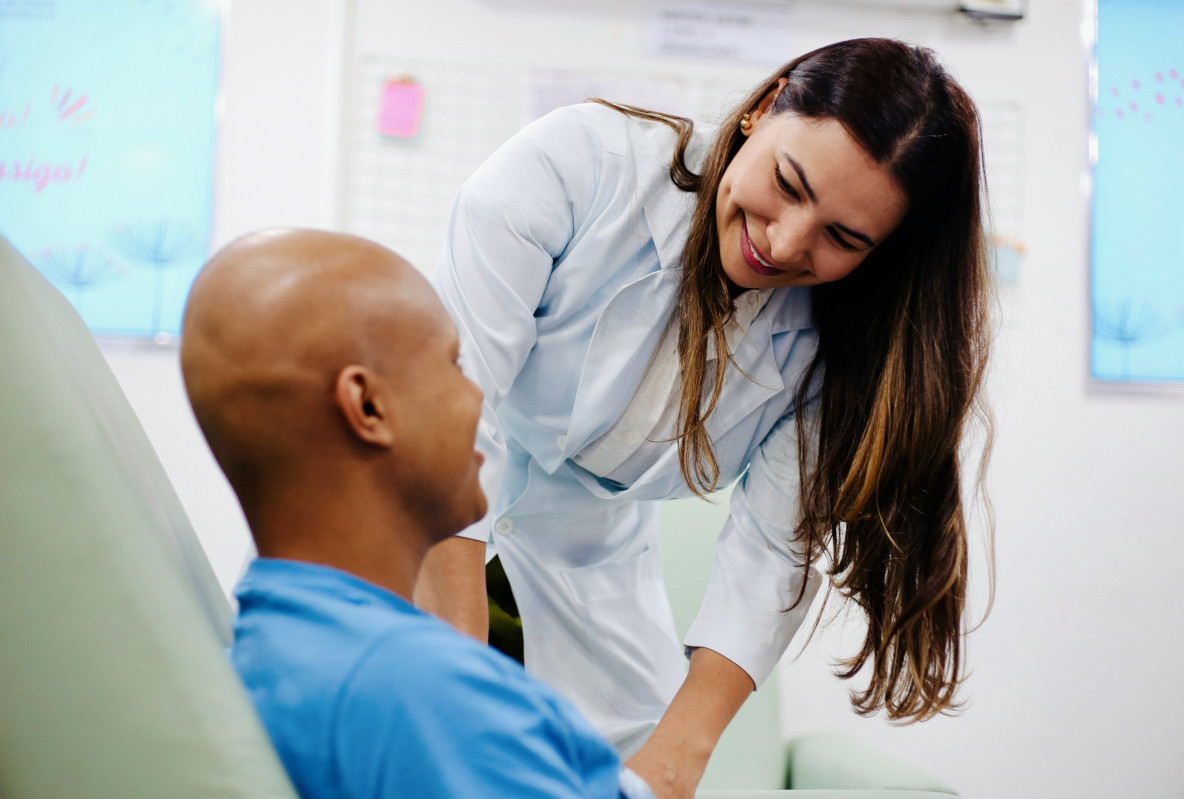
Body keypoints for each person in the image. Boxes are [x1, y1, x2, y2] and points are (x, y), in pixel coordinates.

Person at [420, 37, 993, 798]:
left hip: (597, 579)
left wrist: (672, 765)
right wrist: (451, 683)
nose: (784, 242)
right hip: (419, 526)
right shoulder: (579, 164)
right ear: (763, 107)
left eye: (844, 238)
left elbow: (768, 554)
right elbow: (454, 418)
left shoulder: (838, 343)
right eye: (789, 185)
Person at [179, 228, 656, 799]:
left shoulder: (274, 652)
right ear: (370, 407)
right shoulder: (414, 688)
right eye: (455, 363)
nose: (480, 396)